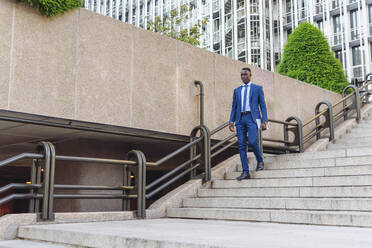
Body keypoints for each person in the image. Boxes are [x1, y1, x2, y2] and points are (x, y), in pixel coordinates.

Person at [229, 67, 268, 180]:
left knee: (252, 141)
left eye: (245, 74)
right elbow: (234, 107)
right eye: (241, 75)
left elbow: (263, 105)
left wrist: (264, 120)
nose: (243, 76)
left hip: (252, 118)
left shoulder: (257, 88)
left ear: (250, 75)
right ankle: (245, 171)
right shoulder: (237, 90)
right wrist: (231, 121)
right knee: (241, 145)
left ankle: (260, 160)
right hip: (240, 119)